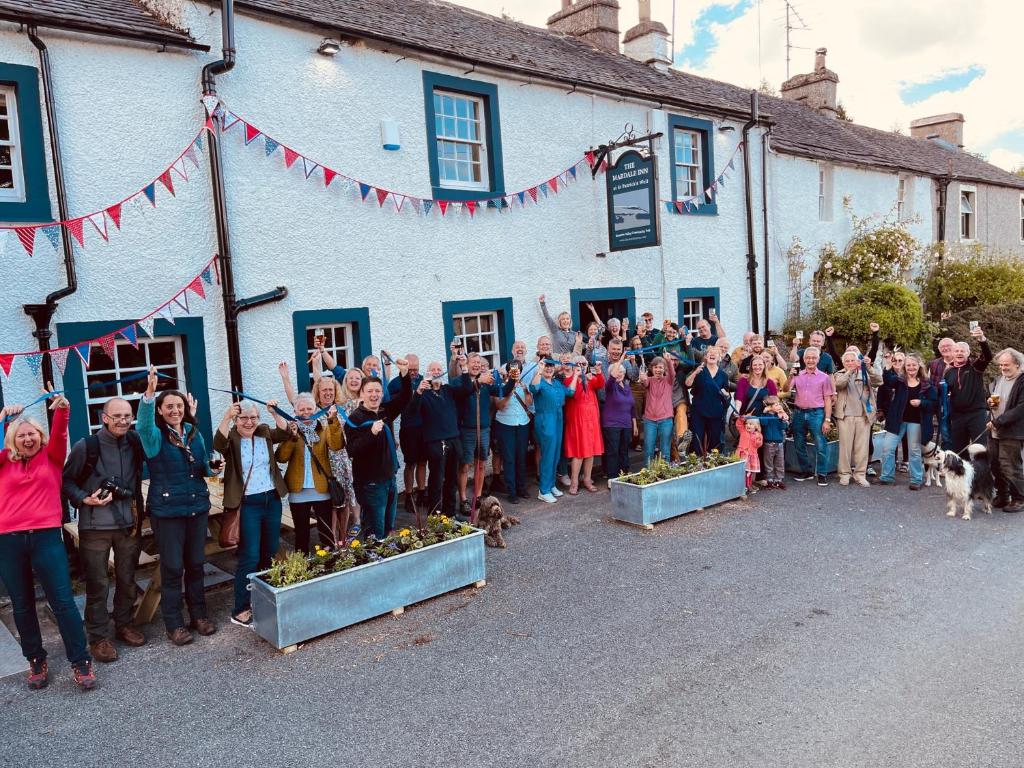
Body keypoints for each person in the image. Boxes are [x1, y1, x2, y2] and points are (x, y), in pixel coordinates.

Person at [1, 392, 96, 690]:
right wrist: (2, 418)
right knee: (22, 604)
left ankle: (80, 662)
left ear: (40, 438)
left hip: (46, 537)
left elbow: (60, 433)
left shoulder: (51, 457)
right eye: (22, 435)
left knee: (63, 601)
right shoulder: (3, 462)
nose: (28, 439)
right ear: (13, 439)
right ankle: (35, 659)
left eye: (33, 434)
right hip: (9, 541)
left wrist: (63, 410)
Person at [62, 397, 146, 663]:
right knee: (98, 584)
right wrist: (84, 499)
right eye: (117, 416)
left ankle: (124, 624)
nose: (123, 420)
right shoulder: (86, 446)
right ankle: (98, 637)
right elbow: (66, 482)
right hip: (95, 525)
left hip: (128, 524)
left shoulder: (134, 441)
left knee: (127, 577)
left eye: (127, 415)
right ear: (104, 418)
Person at [137, 367, 217, 646]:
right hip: (167, 511)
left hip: (197, 507)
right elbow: (143, 426)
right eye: (169, 406)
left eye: (179, 406)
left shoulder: (194, 433)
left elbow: (205, 465)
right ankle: (174, 623)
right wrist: (149, 395)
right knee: (172, 568)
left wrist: (214, 466)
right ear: (159, 410)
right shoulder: (154, 437)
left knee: (196, 565)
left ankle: (199, 616)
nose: (175, 410)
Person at [214, 400, 290, 627]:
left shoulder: (264, 432)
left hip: (271, 499)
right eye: (244, 418)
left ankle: (263, 601)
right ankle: (241, 608)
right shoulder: (232, 438)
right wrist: (227, 416)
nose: (249, 422)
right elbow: (217, 443)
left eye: (253, 418)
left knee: (270, 551)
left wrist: (274, 412)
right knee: (250, 555)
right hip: (247, 503)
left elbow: (285, 432)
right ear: (237, 420)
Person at [345, 358, 412, 538]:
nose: (374, 394)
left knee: (388, 525)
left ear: (382, 393)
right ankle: (374, 559)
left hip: (389, 477)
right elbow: (352, 450)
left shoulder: (385, 411)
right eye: (370, 391)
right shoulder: (355, 419)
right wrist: (371, 434)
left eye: (377, 391)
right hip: (370, 483)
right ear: (362, 394)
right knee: (374, 529)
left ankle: (385, 557)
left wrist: (404, 374)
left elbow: (405, 397)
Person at [276, 392, 343, 554]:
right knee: (301, 533)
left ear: (316, 409)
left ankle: (328, 563)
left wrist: (333, 420)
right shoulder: (291, 430)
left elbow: (337, 445)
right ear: (295, 411)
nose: (306, 412)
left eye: (309, 408)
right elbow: (281, 457)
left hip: (321, 489)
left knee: (326, 532)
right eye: (302, 409)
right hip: (298, 491)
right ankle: (304, 566)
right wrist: (291, 436)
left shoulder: (324, 428)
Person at [451, 352, 499, 517]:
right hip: (467, 430)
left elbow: (501, 390)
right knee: (465, 465)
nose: (477, 365)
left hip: (484, 429)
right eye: (473, 362)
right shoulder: (459, 381)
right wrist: (479, 381)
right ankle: (463, 499)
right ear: (466, 364)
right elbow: (463, 392)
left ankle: (477, 497)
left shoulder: (487, 381)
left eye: (479, 362)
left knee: (481, 464)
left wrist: (512, 379)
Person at [879, 353, 935, 490]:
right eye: (908, 365)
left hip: (916, 421)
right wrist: (887, 365)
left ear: (919, 366)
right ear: (904, 366)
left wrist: (921, 402)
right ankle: (887, 477)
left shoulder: (926, 384)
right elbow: (887, 381)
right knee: (887, 448)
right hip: (897, 420)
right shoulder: (899, 381)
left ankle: (916, 479)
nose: (911, 367)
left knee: (914, 450)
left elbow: (933, 403)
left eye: (913, 365)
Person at [412, 361, 461, 516]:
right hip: (435, 442)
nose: (436, 372)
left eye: (439, 369)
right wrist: (419, 391)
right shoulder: (423, 393)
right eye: (432, 369)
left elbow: (466, 389)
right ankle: (435, 515)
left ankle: (450, 513)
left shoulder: (448, 390)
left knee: (452, 479)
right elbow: (412, 410)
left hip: (454, 439)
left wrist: (463, 367)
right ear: (427, 374)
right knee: (436, 481)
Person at [785, 346, 835, 486]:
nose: (810, 360)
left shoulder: (824, 377)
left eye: (813, 358)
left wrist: (827, 419)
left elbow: (827, 400)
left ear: (818, 359)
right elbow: (785, 389)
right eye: (808, 358)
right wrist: (790, 376)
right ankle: (806, 471)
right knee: (799, 444)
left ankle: (822, 473)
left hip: (816, 413)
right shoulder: (798, 374)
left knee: (820, 444)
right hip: (799, 413)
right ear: (803, 359)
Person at [530, 358, 578, 503]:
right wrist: (539, 369)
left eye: (551, 366)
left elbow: (570, 392)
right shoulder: (540, 382)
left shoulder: (557, 383)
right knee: (548, 455)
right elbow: (533, 388)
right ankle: (543, 490)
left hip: (558, 418)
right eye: (546, 366)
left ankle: (551, 485)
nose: (549, 369)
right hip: (545, 419)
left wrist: (575, 375)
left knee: (556, 454)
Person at [833, 350, 883, 487]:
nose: (850, 363)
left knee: (862, 448)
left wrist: (868, 367)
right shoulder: (839, 374)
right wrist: (849, 371)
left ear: (857, 361)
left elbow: (879, 381)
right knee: (845, 448)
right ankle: (844, 474)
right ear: (843, 363)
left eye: (852, 360)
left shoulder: (865, 373)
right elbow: (838, 385)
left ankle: (860, 474)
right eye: (847, 361)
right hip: (845, 416)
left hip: (863, 415)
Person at [943, 326, 993, 453]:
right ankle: (964, 473)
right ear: (952, 354)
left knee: (981, 450)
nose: (959, 353)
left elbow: (987, 356)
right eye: (957, 351)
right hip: (957, 416)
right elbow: (945, 392)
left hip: (976, 414)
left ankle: (983, 473)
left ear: (968, 353)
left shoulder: (975, 367)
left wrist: (981, 339)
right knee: (959, 451)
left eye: (962, 351)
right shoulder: (948, 372)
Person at [988, 349, 1024, 513]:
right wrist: (990, 404)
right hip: (995, 429)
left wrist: (1000, 420)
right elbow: (996, 402)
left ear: (1017, 364)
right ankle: (1003, 495)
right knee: (995, 465)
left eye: (1006, 364)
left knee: (1010, 466)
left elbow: (1021, 408)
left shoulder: (1022, 381)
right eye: (1001, 364)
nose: (1003, 367)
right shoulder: (999, 379)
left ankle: (1019, 499)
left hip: (1012, 431)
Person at [390, 353, 427, 512]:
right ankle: (409, 495)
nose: (413, 372)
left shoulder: (423, 379)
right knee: (410, 463)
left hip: (424, 428)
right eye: (411, 369)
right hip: (408, 429)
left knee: (422, 462)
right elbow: (389, 409)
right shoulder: (395, 383)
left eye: (416, 369)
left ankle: (421, 492)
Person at [494, 358, 533, 505]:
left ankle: (521, 488)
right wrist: (509, 392)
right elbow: (500, 406)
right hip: (506, 424)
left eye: (517, 371)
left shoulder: (524, 385)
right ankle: (511, 491)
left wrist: (526, 392)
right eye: (512, 371)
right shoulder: (501, 386)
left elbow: (529, 404)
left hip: (522, 423)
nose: (515, 373)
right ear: (509, 372)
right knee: (509, 458)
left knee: (521, 457)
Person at [563, 357, 605, 493]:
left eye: (584, 364)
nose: (581, 366)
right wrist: (576, 376)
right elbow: (572, 393)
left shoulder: (589, 378)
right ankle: (574, 482)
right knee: (578, 451)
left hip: (591, 419)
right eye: (579, 364)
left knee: (591, 451)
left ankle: (587, 479)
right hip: (577, 421)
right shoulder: (569, 379)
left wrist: (598, 372)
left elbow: (600, 384)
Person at [685, 346, 731, 455]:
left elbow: (727, 393)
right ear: (706, 356)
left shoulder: (723, 375)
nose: (712, 354)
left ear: (719, 358)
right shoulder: (699, 370)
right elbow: (687, 384)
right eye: (710, 352)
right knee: (697, 439)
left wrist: (726, 394)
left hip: (715, 412)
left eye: (716, 353)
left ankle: (712, 463)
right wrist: (695, 372)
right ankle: (697, 463)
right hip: (699, 411)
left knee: (715, 441)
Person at [602, 361, 638, 484]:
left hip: (626, 424)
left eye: (621, 372)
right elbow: (612, 377)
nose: (619, 374)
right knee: (613, 451)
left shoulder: (627, 387)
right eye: (617, 372)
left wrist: (634, 424)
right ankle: (612, 478)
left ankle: (624, 473)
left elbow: (632, 407)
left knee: (624, 450)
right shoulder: (610, 386)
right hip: (612, 424)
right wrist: (621, 360)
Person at [639, 355, 676, 464]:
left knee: (665, 450)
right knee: (649, 450)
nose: (658, 370)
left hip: (666, 420)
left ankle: (665, 474)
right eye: (655, 367)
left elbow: (672, 374)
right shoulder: (649, 380)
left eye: (660, 367)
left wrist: (668, 361)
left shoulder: (668, 380)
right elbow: (644, 383)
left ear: (664, 369)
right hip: (650, 420)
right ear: (652, 369)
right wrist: (642, 378)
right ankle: (648, 475)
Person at [929, 337, 956, 450]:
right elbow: (928, 382)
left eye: (948, 345)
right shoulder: (933, 364)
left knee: (956, 433)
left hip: (956, 403)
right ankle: (946, 457)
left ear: (954, 347)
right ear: (939, 349)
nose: (945, 348)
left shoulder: (960, 362)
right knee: (944, 432)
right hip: (939, 403)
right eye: (942, 346)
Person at [759, 396, 790, 489]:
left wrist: (783, 419)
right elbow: (764, 424)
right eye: (776, 404)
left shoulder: (779, 416)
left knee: (779, 462)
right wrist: (765, 412)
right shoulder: (766, 416)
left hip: (779, 442)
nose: (779, 406)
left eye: (779, 404)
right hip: (769, 443)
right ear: (769, 407)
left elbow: (783, 427)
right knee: (768, 463)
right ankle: (769, 480)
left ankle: (778, 480)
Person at [736, 418, 763, 492]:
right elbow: (738, 424)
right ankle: (745, 485)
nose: (748, 425)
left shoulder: (758, 434)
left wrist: (758, 442)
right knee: (744, 472)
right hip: (743, 455)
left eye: (751, 424)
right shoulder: (743, 431)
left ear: (756, 426)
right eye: (747, 423)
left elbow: (758, 445)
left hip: (752, 455)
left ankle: (749, 484)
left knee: (750, 472)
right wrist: (742, 418)